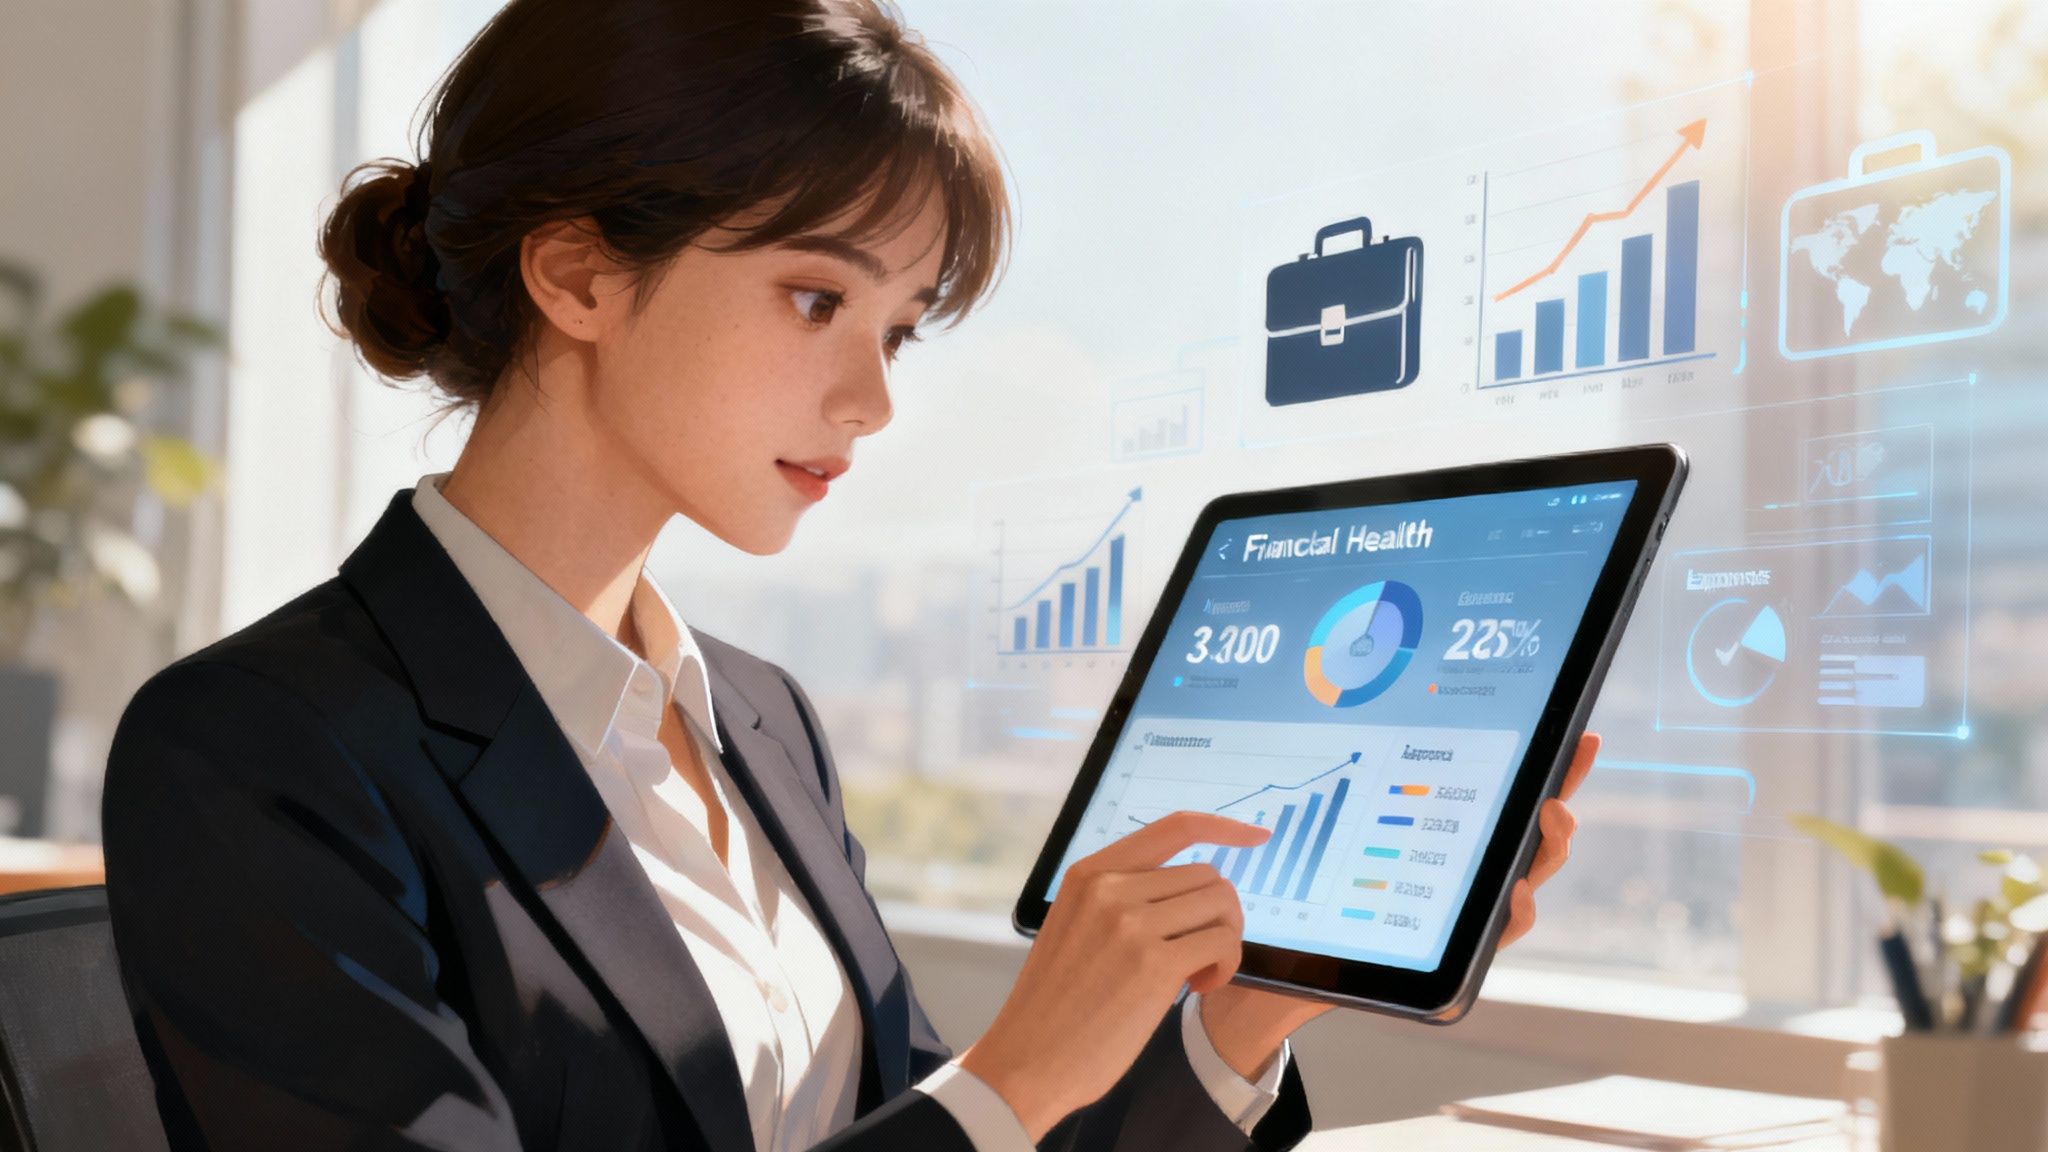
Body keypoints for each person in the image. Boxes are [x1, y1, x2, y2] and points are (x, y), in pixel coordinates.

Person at [100, 2, 1595, 1149]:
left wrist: (1230, 1027)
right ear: (577, 276)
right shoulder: (253, 751)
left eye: (896, 330)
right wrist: (1007, 1077)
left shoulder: (760, 721)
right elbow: (972, 1123)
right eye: (816, 297)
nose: (873, 402)